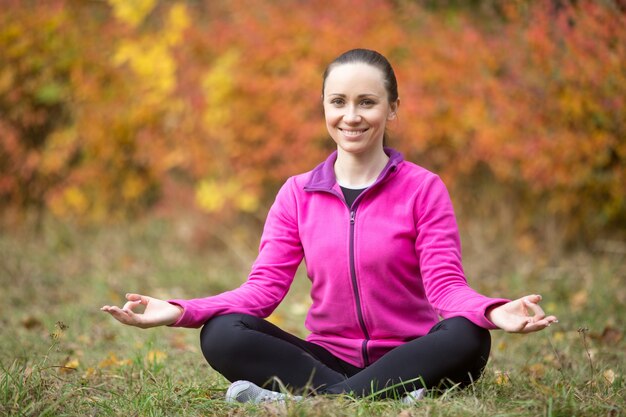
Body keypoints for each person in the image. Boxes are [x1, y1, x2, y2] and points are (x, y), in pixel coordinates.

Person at [101, 48, 558, 404]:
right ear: (323, 106)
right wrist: (181, 311)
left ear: (392, 108)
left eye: (367, 102)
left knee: (466, 334)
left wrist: (492, 311)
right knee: (222, 332)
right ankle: (383, 398)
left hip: (412, 355)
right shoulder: (297, 194)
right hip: (327, 359)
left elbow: (445, 288)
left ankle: (300, 402)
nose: (351, 116)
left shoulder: (424, 188)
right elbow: (260, 292)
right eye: (338, 102)